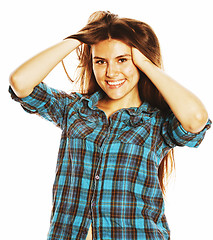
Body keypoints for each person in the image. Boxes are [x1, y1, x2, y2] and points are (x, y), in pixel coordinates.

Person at [9, 11, 211, 240]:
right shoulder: (74, 110)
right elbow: (20, 83)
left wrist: (145, 62)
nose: (111, 72)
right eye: (100, 61)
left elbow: (196, 119)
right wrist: (79, 38)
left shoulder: (155, 122)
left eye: (122, 60)